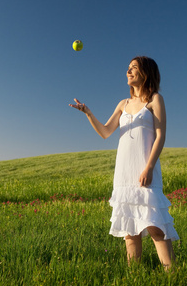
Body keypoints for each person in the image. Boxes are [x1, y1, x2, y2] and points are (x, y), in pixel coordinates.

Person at [69, 56, 179, 269]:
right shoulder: (123, 103)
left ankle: (173, 275)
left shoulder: (155, 99)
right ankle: (135, 276)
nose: (128, 72)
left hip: (145, 170)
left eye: (134, 68)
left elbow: (160, 136)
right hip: (124, 173)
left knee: (155, 227)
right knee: (130, 231)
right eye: (128, 68)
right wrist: (88, 113)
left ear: (145, 73)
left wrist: (148, 167)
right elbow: (105, 132)